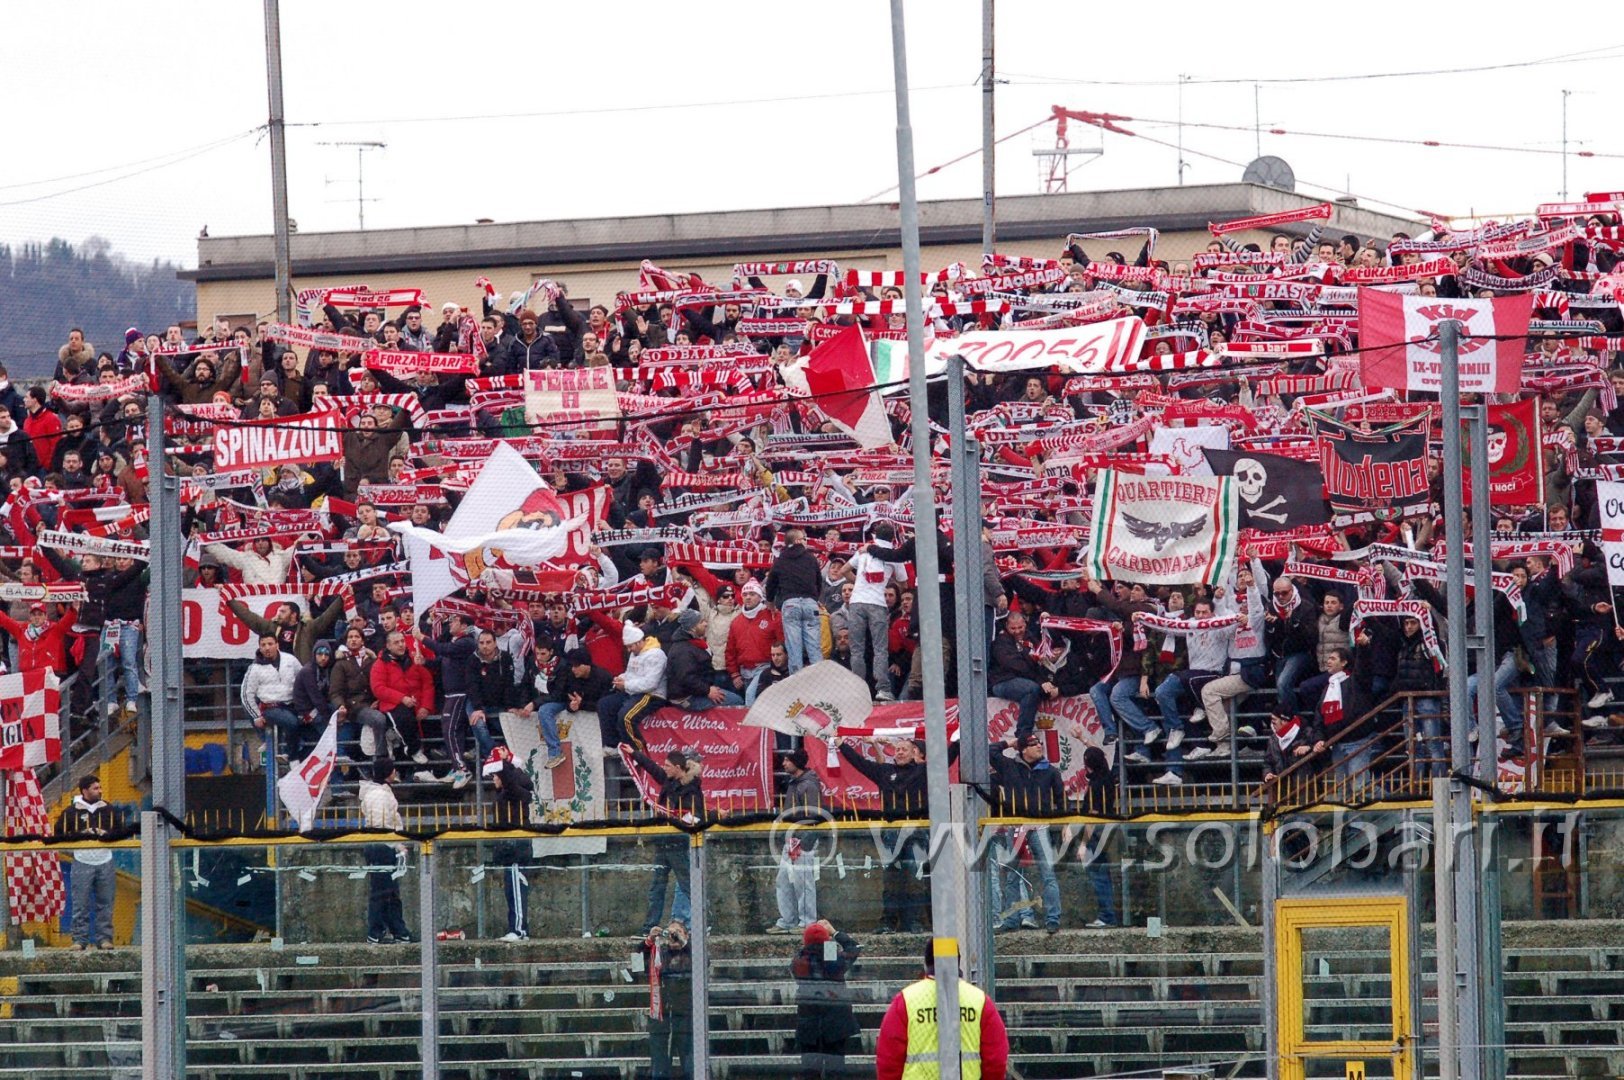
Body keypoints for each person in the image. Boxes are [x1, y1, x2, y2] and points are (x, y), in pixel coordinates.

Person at [875, 941, 1009, 1080]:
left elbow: (888, 1060)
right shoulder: (979, 1001)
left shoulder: (906, 1000)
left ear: (926, 964)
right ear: (958, 962)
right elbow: (996, 1060)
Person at [987, 734, 1065, 934]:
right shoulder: (1010, 766)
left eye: (1039, 743)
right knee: (1012, 876)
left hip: (1040, 826)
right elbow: (990, 751)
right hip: (1016, 826)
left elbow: (1062, 801)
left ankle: (1053, 918)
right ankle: (1011, 919)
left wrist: (1064, 824)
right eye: (1033, 743)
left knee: (1048, 874)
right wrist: (1009, 742)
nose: (1039, 745)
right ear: (1022, 749)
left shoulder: (1050, 771)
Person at [625, 747, 703, 934]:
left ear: (678, 767)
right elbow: (652, 768)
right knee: (656, 887)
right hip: (663, 843)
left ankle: (703, 922)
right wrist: (634, 753)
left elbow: (696, 815)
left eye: (668, 765)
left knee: (688, 886)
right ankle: (649, 926)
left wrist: (679, 821)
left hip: (678, 843)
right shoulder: (669, 781)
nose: (664, 768)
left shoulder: (692, 790)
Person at [791, 919, 863, 1079]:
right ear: (827, 943)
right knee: (836, 1069)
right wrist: (833, 933)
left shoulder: (799, 962)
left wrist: (818, 939)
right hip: (836, 1024)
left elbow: (809, 951)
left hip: (809, 1025)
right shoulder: (833, 962)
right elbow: (854, 948)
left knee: (809, 1070)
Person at [56, 774, 117, 950]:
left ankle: (104, 938)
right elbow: (59, 834)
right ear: (85, 790)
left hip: (104, 858)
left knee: (105, 902)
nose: (100, 791)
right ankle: (79, 939)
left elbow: (121, 830)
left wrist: (106, 834)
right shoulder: (71, 811)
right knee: (80, 902)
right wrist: (82, 834)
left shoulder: (108, 809)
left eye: (100, 788)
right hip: (82, 859)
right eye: (95, 788)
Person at [845, 523, 904, 700]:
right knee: (880, 649)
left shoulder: (863, 551)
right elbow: (903, 582)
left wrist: (859, 585)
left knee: (856, 649)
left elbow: (843, 571)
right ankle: (883, 690)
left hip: (857, 602)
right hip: (878, 603)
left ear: (874, 534)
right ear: (893, 538)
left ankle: (858, 691)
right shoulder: (893, 555)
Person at [767, 748, 822, 935]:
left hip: (802, 838)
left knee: (802, 881)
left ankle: (807, 921)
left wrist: (787, 819)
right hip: (792, 838)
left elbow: (812, 814)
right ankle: (788, 920)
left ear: (796, 762)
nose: (783, 764)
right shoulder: (794, 783)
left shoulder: (808, 785)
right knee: (783, 879)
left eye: (787, 760)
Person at [358, 757, 412, 944]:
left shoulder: (378, 793)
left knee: (389, 891)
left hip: (381, 845)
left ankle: (397, 930)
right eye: (392, 769)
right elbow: (382, 826)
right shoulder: (380, 795)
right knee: (382, 892)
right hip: (382, 846)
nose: (395, 771)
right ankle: (376, 932)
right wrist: (397, 844)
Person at [484, 746, 534, 941]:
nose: (494, 779)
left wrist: (505, 762)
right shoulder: (506, 795)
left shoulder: (515, 793)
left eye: (496, 776)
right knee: (511, 891)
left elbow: (513, 780)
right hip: (508, 849)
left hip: (516, 849)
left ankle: (519, 929)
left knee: (516, 889)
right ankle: (516, 927)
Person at [240, 632, 306, 763]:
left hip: (292, 704)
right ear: (259, 647)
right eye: (263, 645)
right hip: (270, 707)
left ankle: (298, 755)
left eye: (270, 644)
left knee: (309, 725)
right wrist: (256, 716)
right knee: (291, 722)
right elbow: (246, 694)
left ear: (277, 644)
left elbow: (303, 679)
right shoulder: (254, 668)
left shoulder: (290, 660)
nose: (267, 648)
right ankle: (292, 758)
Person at [766, 526, 824, 671]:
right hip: (810, 604)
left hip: (790, 604)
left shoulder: (780, 560)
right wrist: (814, 598)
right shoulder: (811, 558)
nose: (806, 542)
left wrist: (771, 603)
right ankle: (821, 682)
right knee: (814, 648)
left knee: (794, 649)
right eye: (805, 539)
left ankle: (796, 686)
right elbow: (819, 582)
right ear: (798, 540)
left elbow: (770, 584)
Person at [641, 920, 693, 1080]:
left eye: (677, 932)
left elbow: (705, 961)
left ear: (687, 935)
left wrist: (684, 943)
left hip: (687, 1017)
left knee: (691, 1064)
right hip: (661, 1019)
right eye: (670, 933)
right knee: (660, 1067)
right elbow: (636, 963)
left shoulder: (692, 953)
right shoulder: (659, 954)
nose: (673, 936)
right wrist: (648, 941)